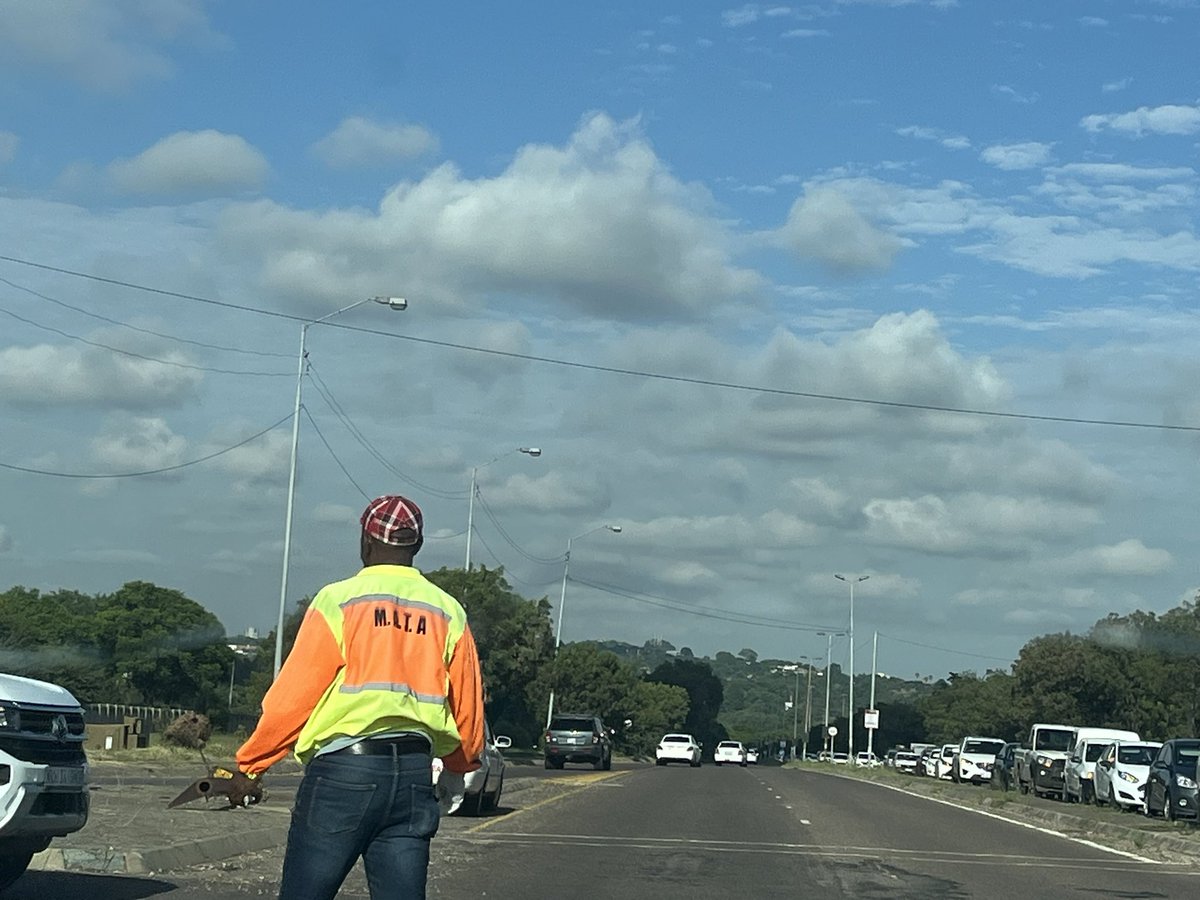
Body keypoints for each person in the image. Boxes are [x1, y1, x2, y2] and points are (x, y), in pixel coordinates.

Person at [236, 494, 484, 900]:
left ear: (366, 541)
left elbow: (292, 699)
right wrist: (459, 765)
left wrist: (250, 766)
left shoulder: (339, 601)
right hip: (413, 777)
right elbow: (469, 707)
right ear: (417, 546)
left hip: (344, 775)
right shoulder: (448, 610)